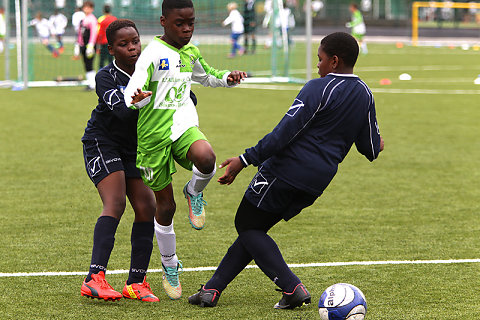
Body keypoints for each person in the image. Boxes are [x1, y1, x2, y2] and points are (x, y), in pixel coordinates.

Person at [188, 32, 384, 310]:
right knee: (254, 230)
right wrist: (378, 142)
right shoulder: (365, 93)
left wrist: (243, 160)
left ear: (335, 61)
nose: (318, 65)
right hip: (317, 181)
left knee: (246, 225)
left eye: (320, 59)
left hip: (286, 171)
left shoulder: (319, 88)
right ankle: (211, 290)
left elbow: (283, 133)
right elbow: (371, 149)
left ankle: (292, 287)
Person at [123, 0, 247, 300]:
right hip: (153, 137)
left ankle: (194, 191)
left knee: (207, 157)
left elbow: (207, 75)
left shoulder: (191, 51)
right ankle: (169, 264)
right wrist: (137, 97)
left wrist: (227, 77)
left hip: (182, 126)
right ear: (164, 21)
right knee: (165, 208)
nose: (187, 28)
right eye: (180, 23)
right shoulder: (152, 54)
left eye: (191, 22)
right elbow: (132, 90)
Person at [80, 19, 159, 302]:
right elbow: (123, 112)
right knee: (115, 202)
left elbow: (189, 98)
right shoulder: (106, 77)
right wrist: (146, 101)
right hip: (102, 143)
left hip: (133, 149)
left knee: (147, 205)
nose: (132, 48)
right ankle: (94, 278)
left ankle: (136, 282)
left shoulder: (151, 72)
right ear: (111, 49)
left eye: (135, 41)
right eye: (123, 44)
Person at [77, 1, 98, 91]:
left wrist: (91, 45)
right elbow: (80, 33)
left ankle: (92, 84)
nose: (86, 9)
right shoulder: (83, 19)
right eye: (85, 7)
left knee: (89, 64)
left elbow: (94, 33)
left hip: (89, 45)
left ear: (92, 9)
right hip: (83, 44)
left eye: (88, 7)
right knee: (86, 64)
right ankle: (90, 83)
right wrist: (78, 43)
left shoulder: (92, 19)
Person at [97, 5, 117, 69]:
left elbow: (99, 33)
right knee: (110, 60)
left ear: (103, 11)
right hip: (112, 42)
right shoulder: (114, 19)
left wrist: (98, 44)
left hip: (103, 42)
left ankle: (100, 74)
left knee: (102, 60)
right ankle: (112, 74)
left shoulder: (101, 20)